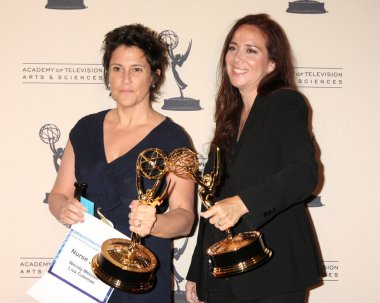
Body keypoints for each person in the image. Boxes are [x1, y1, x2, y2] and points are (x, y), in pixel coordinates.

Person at [48, 23, 195, 303]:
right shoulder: (84, 129)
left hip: (140, 280)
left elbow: (185, 217)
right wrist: (62, 209)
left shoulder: (174, 139)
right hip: (84, 269)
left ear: (155, 76)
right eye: (117, 69)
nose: (125, 79)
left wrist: (155, 223)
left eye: (136, 69)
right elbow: (58, 194)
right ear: (107, 75)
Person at [185, 14, 324, 303]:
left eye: (252, 50)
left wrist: (243, 203)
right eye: (233, 48)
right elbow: (211, 198)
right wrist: (197, 270)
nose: (237, 57)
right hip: (225, 272)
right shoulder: (229, 119)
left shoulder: (284, 103)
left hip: (275, 270)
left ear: (272, 63)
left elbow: (304, 174)